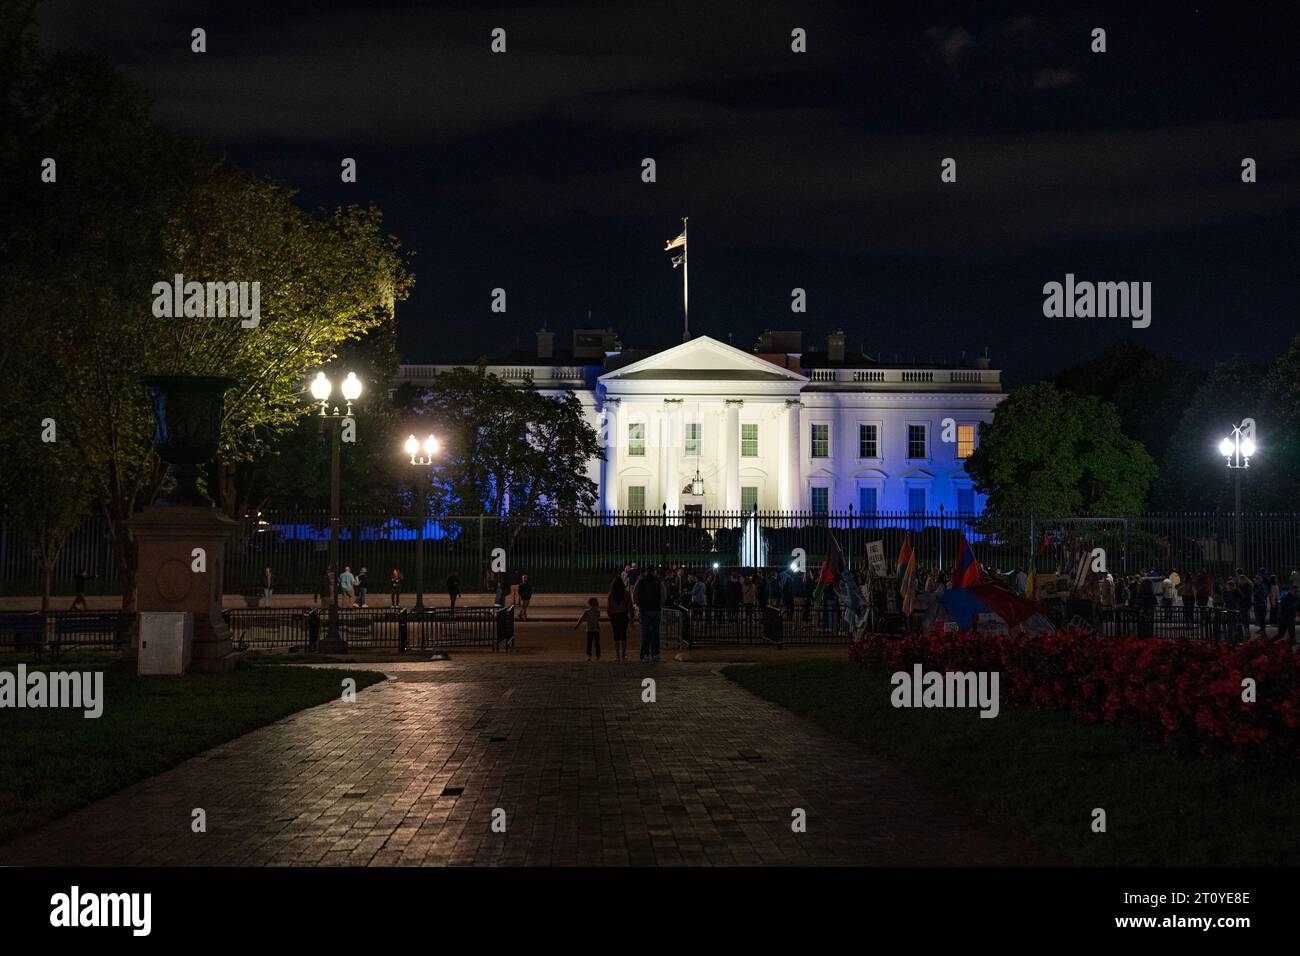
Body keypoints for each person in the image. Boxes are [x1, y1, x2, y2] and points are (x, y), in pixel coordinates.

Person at [635, 566, 663, 662]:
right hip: (656, 609)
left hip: (645, 609)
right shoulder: (658, 581)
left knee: (646, 633)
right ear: (654, 572)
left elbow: (635, 594)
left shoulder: (641, 581)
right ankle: (655, 654)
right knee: (656, 633)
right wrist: (660, 605)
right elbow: (663, 594)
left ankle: (645, 654)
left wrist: (639, 605)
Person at [608, 575, 631, 661]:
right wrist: (631, 618)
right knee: (623, 635)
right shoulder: (626, 594)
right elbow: (629, 607)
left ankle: (617, 655)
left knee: (616, 635)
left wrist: (610, 616)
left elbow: (609, 608)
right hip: (623, 615)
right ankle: (623, 654)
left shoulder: (611, 595)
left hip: (614, 616)